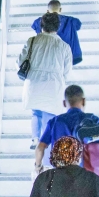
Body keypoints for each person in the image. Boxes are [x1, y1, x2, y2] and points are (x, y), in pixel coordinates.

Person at [34, 85, 99, 194]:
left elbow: (40, 148)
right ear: (84, 101)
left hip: (61, 178)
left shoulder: (55, 122)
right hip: (87, 177)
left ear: (64, 103)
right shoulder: (93, 120)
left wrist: (38, 167)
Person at [18, 13, 72, 147]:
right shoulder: (64, 46)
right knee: (50, 115)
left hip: (34, 81)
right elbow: (67, 71)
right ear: (57, 27)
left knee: (36, 113)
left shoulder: (32, 41)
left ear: (41, 25)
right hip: (54, 83)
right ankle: (46, 145)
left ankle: (35, 138)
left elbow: (20, 61)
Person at [30, 0, 83, 65]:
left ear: (47, 11)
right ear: (60, 9)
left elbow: (34, 27)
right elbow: (78, 25)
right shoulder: (71, 21)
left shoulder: (39, 21)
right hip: (70, 56)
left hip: (47, 56)